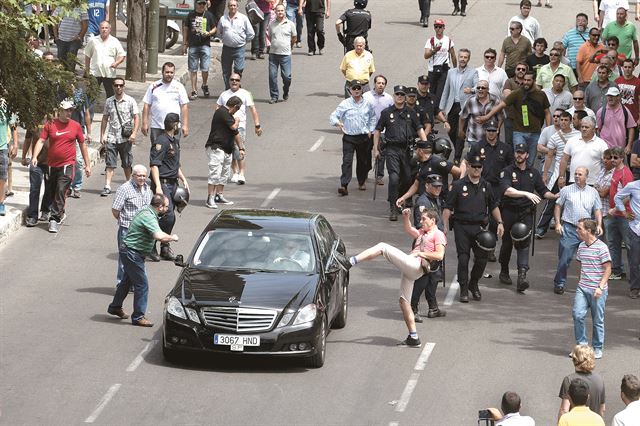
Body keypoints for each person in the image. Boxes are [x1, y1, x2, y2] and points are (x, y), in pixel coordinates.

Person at [348, 207, 446, 347]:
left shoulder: (438, 234)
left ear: (433, 220)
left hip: (417, 264)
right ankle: (413, 337)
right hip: (411, 268)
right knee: (403, 301)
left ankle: (351, 261)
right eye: (421, 218)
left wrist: (420, 254)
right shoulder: (422, 233)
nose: (421, 221)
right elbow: (409, 229)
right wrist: (406, 217)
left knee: (382, 246)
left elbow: (439, 255)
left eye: (424, 219)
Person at [107, 194, 179, 327]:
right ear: (160, 207)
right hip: (132, 253)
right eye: (166, 206)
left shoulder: (147, 209)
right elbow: (158, 236)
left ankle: (115, 307)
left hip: (130, 251)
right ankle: (138, 316)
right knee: (142, 284)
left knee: (126, 282)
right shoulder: (148, 216)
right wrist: (172, 237)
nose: (168, 209)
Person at [443, 153, 504, 302]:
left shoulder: (486, 186)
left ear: (482, 168)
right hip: (461, 227)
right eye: (474, 166)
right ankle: (463, 288)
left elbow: (493, 206)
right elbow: (447, 208)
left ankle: (474, 283)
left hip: (479, 228)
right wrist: (444, 227)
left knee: (482, 259)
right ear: (468, 167)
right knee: (463, 259)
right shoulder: (458, 186)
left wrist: (500, 222)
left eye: (479, 167)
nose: (476, 169)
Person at [498, 142, 557, 292]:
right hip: (509, 212)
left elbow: (543, 192)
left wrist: (555, 195)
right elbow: (506, 190)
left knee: (523, 243)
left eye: (522, 152)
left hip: (525, 214)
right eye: (517, 152)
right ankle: (504, 270)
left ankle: (522, 276)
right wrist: (526, 193)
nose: (519, 155)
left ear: (527, 155)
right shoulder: (507, 171)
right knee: (506, 244)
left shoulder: (534, 173)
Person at [31, 100, 91, 233]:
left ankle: (54, 219)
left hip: (68, 164)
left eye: (71, 110)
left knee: (61, 189)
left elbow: (82, 145)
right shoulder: (50, 124)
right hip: (52, 164)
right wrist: (34, 156)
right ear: (60, 110)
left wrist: (87, 165)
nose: (69, 112)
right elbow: (41, 140)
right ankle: (60, 212)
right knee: (52, 191)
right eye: (67, 110)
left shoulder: (75, 126)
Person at [373, 86, 427, 221]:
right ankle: (392, 206)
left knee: (407, 178)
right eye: (397, 94)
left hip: (407, 149)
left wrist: (426, 146)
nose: (400, 96)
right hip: (392, 149)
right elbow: (378, 131)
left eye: (402, 94)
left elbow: (420, 129)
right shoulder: (387, 113)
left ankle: (400, 200)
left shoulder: (411, 112)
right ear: (394, 95)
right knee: (394, 178)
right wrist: (375, 148)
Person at [479, 70, 551, 166]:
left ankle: (526, 179)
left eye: (528, 80)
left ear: (533, 81)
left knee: (530, 162)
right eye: (524, 80)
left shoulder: (541, 94)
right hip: (519, 132)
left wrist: (548, 129)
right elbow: (501, 105)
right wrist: (487, 116)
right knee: (519, 157)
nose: (526, 82)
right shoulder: (517, 93)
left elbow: (547, 113)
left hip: (535, 133)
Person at [553, 167, 603, 294]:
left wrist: (599, 225)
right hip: (570, 228)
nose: (576, 176)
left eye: (580, 174)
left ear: (586, 177)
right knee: (564, 259)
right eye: (575, 174)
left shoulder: (593, 192)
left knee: (590, 259)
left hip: (587, 230)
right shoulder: (566, 190)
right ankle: (559, 283)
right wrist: (558, 223)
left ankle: (589, 285)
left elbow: (597, 210)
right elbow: (558, 206)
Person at [149, 113, 190, 262]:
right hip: (163, 182)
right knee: (167, 215)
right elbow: (154, 165)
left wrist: (183, 179)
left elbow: (174, 164)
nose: (179, 126)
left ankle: (164, 248)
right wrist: (158, 187)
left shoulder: (174, 141)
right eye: (178, 123)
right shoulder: (161, 141)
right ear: (174, 125)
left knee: (170, 216)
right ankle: (150, 245)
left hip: (173, 183)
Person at [537, 110, 581, 238]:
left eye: (566, 120)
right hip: (559, 172)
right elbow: (549, 156)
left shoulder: (577, 135)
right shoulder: (554, 137)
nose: (563, 122)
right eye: (561, 120)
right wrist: (545, 175)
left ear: (571, 121)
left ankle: (576, 229)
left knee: (576, 201)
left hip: (574, 171)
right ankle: (541, 228)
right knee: (553, 199)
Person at [330, 79, 376, 195]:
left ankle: (361, 181)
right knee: (347, 161)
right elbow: (333, 116)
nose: (356, 90)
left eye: (358, 88)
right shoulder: (345, 104)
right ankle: (344, 185)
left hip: (363, 137)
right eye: (354, 88)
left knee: (363, 161)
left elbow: (373, 118)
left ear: (361, 90)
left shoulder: (367, 104)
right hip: (349, 137)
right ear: (350, 90)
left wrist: (371, 130)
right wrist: (338, 123)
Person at [411, 175, 447, 321]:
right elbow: (422, 227)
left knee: (434, 278)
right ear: (427, 186)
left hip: (434, 243)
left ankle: (433, 307)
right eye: (434, 186)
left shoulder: (435, 198)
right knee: (422, 280)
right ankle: (412, 309)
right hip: (426, 246)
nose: (438, 188)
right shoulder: (423, 202)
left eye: (439, 186)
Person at [216, 73, 262, 184]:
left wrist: (257, 125)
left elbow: (253, 109)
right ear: (229, 81)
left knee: (239, 149)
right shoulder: (224, 94)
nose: (234, 82)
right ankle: (235, 172)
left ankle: (242, 173)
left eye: (237, 80)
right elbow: (218, 108)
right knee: (229, 150)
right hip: (226, 128)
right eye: (232, 79)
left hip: (240, 127)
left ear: (240, 82)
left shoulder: (246, 93)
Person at [111, 164, 153, 287]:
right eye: (139, 176)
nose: (142, 178)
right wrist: (123, 220)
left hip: (143, 231)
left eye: (144, 176)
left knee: (139, 258)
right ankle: (122, 285)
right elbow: (115, 210)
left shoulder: (147, 189)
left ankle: (137, 284)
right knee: (125, 259)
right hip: (127, 230)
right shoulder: (124, 189)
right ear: (133, 175)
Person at [100, 77, 139, 197]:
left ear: (124, 86)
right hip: (112, 137)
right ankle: (107, 186)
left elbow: (136, 117)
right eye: (116, 85)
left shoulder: (130, 101)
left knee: (127, 163)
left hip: (125, 138)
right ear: (113, 86)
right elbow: (105, 118)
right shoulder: (109, 101)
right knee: (110, 163)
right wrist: (102, 135)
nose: (119, 87)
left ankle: (129, 185)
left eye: (121, 85)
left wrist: (134, 133)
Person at [205, 96, 243, 209]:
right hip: (216, 147)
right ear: (235, 106)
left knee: (225, 173)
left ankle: (219, 195)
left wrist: (241, 148)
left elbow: (236, 133)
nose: (237, 111)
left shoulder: (229, 116)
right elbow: (234, 127)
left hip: (227, 149)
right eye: (238, 109)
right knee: (215, 173)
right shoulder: (222, 112)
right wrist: (237, 120)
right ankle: (210, 198)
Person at [439, 48, 475, 163]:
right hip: (452, 105)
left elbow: (477, 86)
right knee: (451, 131)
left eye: (465, 57)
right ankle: (458, 147)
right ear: (458, 58)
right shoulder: (451, 72)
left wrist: (471, 90)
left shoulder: (473, 72)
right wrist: (442, 108)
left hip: (464, 106)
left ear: (468, 59)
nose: (463, 59)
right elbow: (446, 90)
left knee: (460, 131)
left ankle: (457, 157)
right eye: (461, 57)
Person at [141, 62, 190, 145]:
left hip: (173, 127)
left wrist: (185, 125)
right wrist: (145, 123)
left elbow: (184, 106)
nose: (169, 74)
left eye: (171, 72)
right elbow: (147, 105)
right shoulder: (154, 86)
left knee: (172, 154)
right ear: (162, 72)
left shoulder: (179, 87)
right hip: (157, 127)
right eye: (167, 72)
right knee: (157, 154)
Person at [605, 146, 633, 280]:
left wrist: (616, 208)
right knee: (613, 243)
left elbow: (629, 195)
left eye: (616, 157)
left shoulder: (625, 173)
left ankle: (635, 273)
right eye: (611, 157)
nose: (612, 160)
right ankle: (616, 270)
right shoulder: (614, 171)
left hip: (624, 215)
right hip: (613, 214)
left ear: (622, 157)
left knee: (629, 245)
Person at [559, 345, 607, 420]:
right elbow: (602, 409)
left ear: (575, 360)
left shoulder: (569, 380)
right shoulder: (599, 379)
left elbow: (564, 410)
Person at [216, 0, 255, 89]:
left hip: (239, 49)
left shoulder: (243, 18)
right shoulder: (223, 18)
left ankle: (236, 84)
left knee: (239, 68)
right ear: (228, 7)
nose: (232, 7)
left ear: (237, 7)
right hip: (226, 49)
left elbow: (251, 33)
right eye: (231, 5)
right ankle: (228, 89)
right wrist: (226, 38)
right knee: (226, 71)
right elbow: (219, 33)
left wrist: (244, 42)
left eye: (234, 5)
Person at [183, 0, 217, 100]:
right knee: (193, 69)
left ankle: (205, 84)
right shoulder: (191, 15)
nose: (202, 5)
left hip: (205, 44)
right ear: (196, 4)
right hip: (193, 45)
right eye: (200, 4)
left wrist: (209, 33)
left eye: (204, 4)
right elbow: (186, 28)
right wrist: (184, 43)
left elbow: (215, 28)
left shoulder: (209, 15)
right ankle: (194, 90)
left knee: (205, 68)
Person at [613, 176, 640, 298]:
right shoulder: (633, 185)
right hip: (635, 228)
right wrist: (624, 212)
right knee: (634, 260)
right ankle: (635, 287)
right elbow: (617, 197)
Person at [363, 75, 393, 185]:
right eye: (378, 83)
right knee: (366, 153)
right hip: (369, 131)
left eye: (383, 83)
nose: (380, 85)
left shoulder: (389, 98)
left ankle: (379, 176)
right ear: (374, 84)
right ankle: (364, 173)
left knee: (381, 154)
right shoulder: (366, 96)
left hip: (382, 131)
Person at [83, 21, 125, 99]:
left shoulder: (115, 41)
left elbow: (122, 55)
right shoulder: (93, 41)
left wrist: (116, 63)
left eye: (106, 28)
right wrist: (87, 70)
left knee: (111, 95)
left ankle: (110, 111)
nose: (104, 30)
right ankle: (88, 110)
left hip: (109, 73)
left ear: (110, 29)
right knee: (91, 95)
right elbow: (87, 55)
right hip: (95, 72)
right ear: (99, 29)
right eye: (102, 28)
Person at [459, 80, 503, 150]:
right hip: (474, 138)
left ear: (488, 89)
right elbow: (463, 117)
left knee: (489, 160)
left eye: (483, 88)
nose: (480, 89)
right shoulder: (470, 101)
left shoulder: (495, 100)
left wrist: (498, 129)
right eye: (478, 87)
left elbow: (501, 118)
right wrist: (460, 130)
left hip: (491, 139)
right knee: (473, 160)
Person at [268, 3, 296, 104]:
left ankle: (286, 90)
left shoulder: (290, 24)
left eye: (282, 10)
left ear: (284, 12)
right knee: (272, 76)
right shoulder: (271, 24)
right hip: (273, 54)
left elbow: (294, 37)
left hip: (285, 55)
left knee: (287, 76)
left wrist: (290, 46)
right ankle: (274, 96)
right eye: (278, 10)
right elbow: (270, 36)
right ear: (275, 12)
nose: (280, 12)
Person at [424, 19, 456, 106]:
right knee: (432, 92)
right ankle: (433, 111)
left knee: (441, 93)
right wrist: (434, 50)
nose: (438, 29)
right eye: (436, 27)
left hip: (444, 70)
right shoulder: (430, 41)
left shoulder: (448, 40)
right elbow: (426, 56)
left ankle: (438, 111)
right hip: (432, 70)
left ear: (444, 28)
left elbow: (453, 55)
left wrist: (456, 69)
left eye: (440, 27)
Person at [53, 5, 88, 71]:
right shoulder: (60, 7)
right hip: (61, 39)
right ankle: (62, 80)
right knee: (61, 61)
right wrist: (56, 37)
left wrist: (80, 37)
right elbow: (54, 22)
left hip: (74, 41)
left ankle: (70, 79)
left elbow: (85, 25)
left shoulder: (81, 8)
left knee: (71, 62)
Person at [0, 98, 17, 217]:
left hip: (2, 147)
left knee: (2, 177)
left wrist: (15, 144)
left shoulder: (5, 105)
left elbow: (13, 126)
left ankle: (1, 202)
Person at [615, 58, 640, 138]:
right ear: (622, 68)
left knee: (632, 144)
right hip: (619, 117)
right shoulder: (617, 81)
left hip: (634, 117)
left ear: (633, 68)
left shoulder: (638, 82)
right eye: (625, 67)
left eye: (629, 67)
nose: (627, 69)